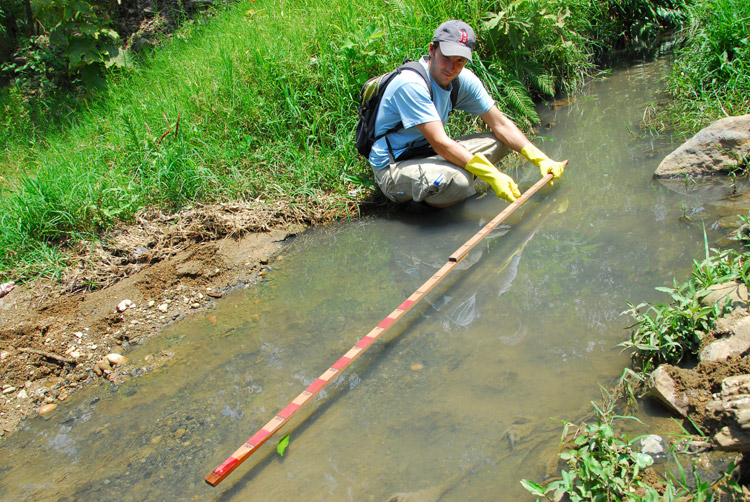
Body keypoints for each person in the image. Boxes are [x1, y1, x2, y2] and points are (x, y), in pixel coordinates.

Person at [368, 20, 568, 208]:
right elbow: (440, 143)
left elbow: (501, 125)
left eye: (459, 60)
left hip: (427, 152)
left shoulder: (462, 80)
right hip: (393, 167)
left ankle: (448, 180)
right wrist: (492, 175)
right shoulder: (411, 83)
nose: (450, 67)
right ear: (432, 49)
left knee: (503, 140)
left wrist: (541, 158)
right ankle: (424, 209)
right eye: (446, 57)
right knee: (459, 183)